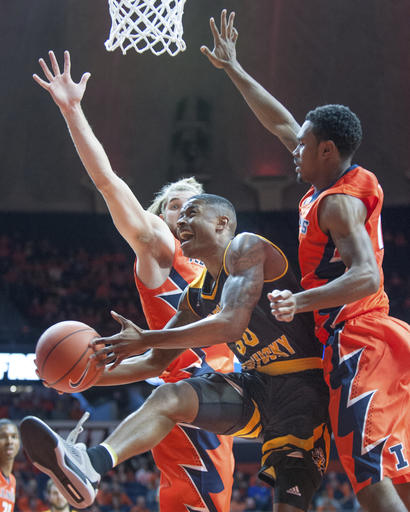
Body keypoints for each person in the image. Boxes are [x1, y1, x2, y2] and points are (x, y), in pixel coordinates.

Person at [201, 10, 410, 511]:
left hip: (360, 337)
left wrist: (299, 299)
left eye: (303, 145)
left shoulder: (338, 203)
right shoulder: (329, 182)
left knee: (369, 472)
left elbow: (365, 275)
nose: (293, 149)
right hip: (373, 338)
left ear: (327, 149)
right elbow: (279, 120)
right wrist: (234, 68)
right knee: (392, 470)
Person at [20, 193, 330, 512]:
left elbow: (231, 324)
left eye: (191, 213)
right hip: (258, 388)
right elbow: (155, 360)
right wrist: (79, 377)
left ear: (222, 223)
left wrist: (146, 338)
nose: (180, 221)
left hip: (304, 392)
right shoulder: (196, 292)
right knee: (169, 397)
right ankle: (91, 464)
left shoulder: (246, 247)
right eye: (179, 216)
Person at [31, 50, 235, 512]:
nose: (184, 213)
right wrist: (73, 110)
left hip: (228, 394)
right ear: (158, 220)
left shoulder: (229, 272)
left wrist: (89, 376)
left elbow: (148, 363)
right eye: (173, 207)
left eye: (194, 206)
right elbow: (108, 182)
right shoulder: (160, 251)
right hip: (190, 396)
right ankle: (91, 462)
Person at [0, 419, 20, 512]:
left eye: (14, 437)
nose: (9, 441)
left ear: (19, 443)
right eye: (3, 437)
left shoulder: (12, 480)